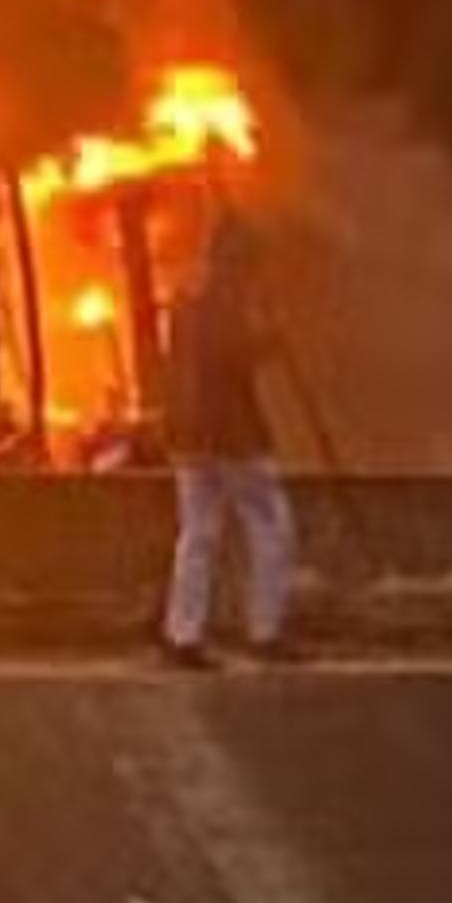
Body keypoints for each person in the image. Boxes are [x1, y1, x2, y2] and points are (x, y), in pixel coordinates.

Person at [159, 207, 297, 669]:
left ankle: (183, 635)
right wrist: (271, 342)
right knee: (271, 525)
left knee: (198, 532)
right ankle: (265, 632)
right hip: (231, 433)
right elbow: (228, 356)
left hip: (187, 434)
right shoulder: (222, 296)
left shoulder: (185, 295)